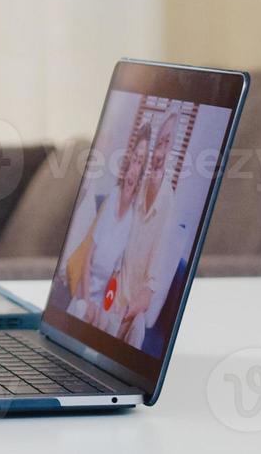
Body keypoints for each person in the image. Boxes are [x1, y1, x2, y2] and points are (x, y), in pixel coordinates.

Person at [63, 119, 150, 331]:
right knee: (82, 315)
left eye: (141, 161)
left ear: (142, 170)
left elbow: (116, 274)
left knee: (104, 326)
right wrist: (87, 300)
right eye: (134, 159)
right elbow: (87, 260)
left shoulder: (134, 217)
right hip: (85, 291)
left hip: (105, 300)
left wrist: (104, 306)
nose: (134, 167)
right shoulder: (111, 200)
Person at [113, 110, 187, 348]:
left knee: (136, 330)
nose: (159, 153)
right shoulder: (138, 187)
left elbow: (152, 284)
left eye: (167, 144)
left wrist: (128, 313)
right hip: (113, 292)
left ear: (172, 149)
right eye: (158, 144)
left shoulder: (168, 202)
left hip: (131, 306)